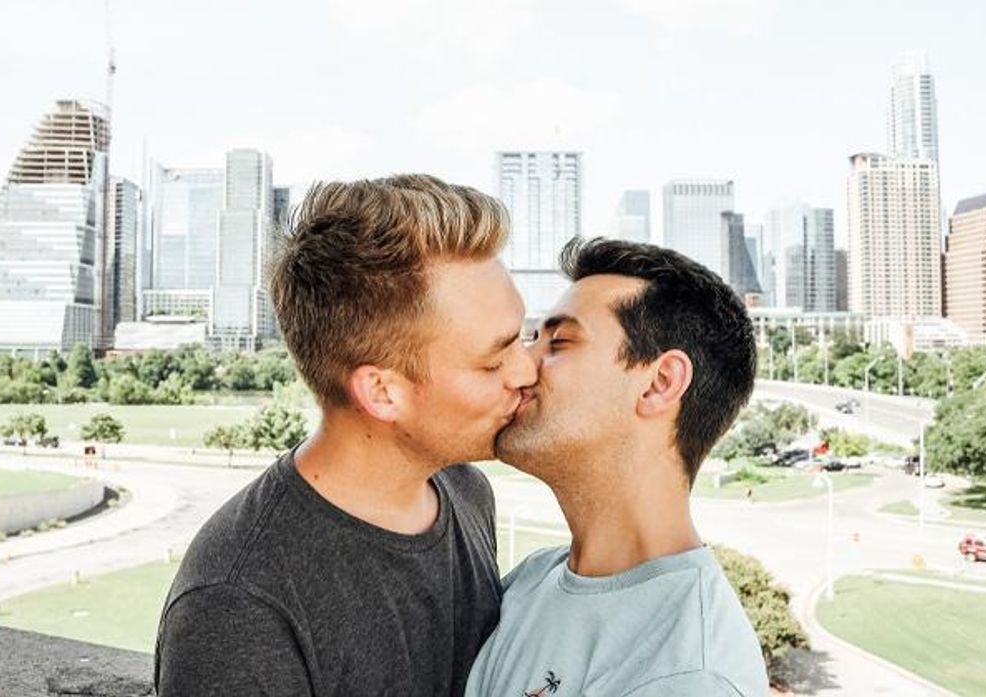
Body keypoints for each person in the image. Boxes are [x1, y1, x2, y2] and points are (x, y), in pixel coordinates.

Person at [155, 174, 536, 696]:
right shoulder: (238, 605)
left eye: (525, 337)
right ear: (382, 393)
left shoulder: (466, 492)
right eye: (494, 360)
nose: (527, 371)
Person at [466, 238, 768, 696]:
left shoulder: (690, 672)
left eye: (559, 342)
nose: (523, 366)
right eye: (533, 338)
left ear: (659, 384)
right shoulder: (531, 582)